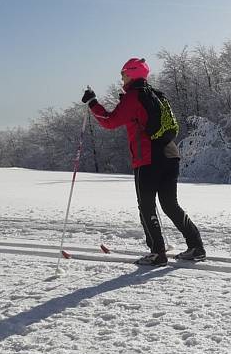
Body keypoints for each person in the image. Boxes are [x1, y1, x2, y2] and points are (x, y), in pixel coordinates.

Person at [81, 58, 206, 266]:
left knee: (146, 206)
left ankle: (157, 253)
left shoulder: (133, 97)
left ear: (132, 73)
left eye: (123, 73)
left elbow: (110, 121)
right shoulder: (157, 95)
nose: (121, 77)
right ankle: (196, 247)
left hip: (147, 158)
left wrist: (93, 103)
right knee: (170, 205)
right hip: (170, 154)